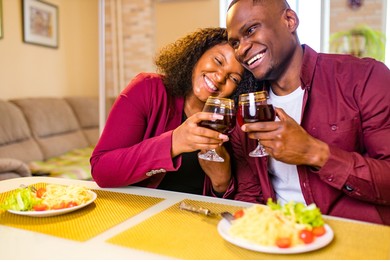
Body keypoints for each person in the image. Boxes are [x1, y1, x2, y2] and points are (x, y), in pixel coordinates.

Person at [226, 0, 390, 225]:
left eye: (251, 30)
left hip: (351, 240)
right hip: (278, 240)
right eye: (235, 42)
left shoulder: (365, 78)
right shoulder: (247, 111)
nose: (242, 49)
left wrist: (314, 153)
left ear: (289, 20)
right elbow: (250, 196)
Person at [90, 27, 255, 198]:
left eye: (233, 78)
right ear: (198, 54)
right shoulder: (148, 89)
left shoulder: (232, 124)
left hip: (198, 217)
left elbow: (243, 196)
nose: (220, 77)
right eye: (218, 61)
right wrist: (173, 142)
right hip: (143, 212)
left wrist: (221, 183)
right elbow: (102, 170)